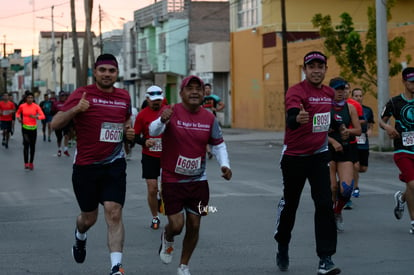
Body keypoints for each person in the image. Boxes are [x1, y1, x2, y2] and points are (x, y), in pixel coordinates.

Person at [50, 53, 135, 275]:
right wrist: (76, 109)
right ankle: (80, 236)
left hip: (114, 164)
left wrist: (128, 130)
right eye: (103, 70)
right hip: (86, 167)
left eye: (112, 70)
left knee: (113, 211)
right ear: (95, 72)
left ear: (117, 73)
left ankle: (116, 267)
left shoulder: (124, 96)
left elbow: (126, 119)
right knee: (89, 218)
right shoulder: (82, 94)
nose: (107, 74)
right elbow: (55, 123)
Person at [149, 75, 232, 275]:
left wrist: (225, 165)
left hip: (198, 181)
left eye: (199, 88)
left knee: (194, 225)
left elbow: (218, 143)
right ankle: (167, 236)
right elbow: (153, 130)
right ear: (182, 93)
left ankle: (184, 266)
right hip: (172, 180)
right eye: (190, 88)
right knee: (177, 226)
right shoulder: (171, 111)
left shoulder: (209, 118)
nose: (194, 91)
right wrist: (162, 120)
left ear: (204, 93)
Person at [274, 51, 341, 274]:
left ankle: (326, 258)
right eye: (311, 67)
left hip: (319, 155)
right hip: (294, 156)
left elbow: (332, 115)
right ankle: (282, 244)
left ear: (325, 69)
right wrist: (297, 119)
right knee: (291, 206)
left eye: (320, 66)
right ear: (305, 70)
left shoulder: (329, 93)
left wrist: (340, 128)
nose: (316, 70)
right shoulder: (296, 91)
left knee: (324, 204)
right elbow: (292, 116)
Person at [379, 67, 414, 235]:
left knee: (411, 186)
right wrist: (387, 127)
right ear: (404, 82)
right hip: (402, 150)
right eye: (411, 82)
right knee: (413, 184)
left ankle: (401, 198)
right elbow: (381, 120)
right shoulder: (394, 102)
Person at [328, 77, 361, 232]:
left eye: (343, 89)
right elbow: (315, 131)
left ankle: (337, 211)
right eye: (337, 89)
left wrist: (349, 131)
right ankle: (327, 216)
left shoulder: (350, 108)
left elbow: (358, 130)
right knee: (332, 187)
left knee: (346, 189)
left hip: (345, 151)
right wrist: (333, 141)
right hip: (327, 151)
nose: (340, 92)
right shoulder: (324, 107)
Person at [133, 85, 165, 229]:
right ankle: (155, 217)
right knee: (152, 188)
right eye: (153, 100)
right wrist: (144, 141)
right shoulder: (142, 115)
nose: (156, 102)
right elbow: (133, 136)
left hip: (168, 155)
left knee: (167, 189)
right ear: (147, 99)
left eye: (158, 99)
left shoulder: (168, 111)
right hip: (149, 155)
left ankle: (162, 201)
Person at [351, 88, 375, 197]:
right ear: (352, 97)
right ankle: (355, 187)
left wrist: (370, 130)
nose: (358, 98)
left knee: (363, 168)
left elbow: (370, 124)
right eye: (356, 96)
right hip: (352, 141)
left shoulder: (367, 110)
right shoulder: (349, 109)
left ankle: (347, 174)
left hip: (363, 142)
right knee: (355, 166)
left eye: (360, 96)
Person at [15, 92, 45, 169]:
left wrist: (35, 117)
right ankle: (26, 163)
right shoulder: (22, 106)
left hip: (33, 129)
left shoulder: (36, 106)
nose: (30, 99)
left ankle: (31, 162)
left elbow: (43, 116)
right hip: (25, 128)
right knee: (26, 144)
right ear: (26, 98)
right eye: (28, 97)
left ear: (33, 99)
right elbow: (17, 113)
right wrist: (18, 118)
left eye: (31, 97)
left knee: (32, 146)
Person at [202, 83, 225, 159]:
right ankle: (208, 152)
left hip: (213, 119)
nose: (207, 90)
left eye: (208, 88)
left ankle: (217, 149)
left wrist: (217, 109)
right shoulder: (201, 98)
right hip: (203, 119)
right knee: (204, 135)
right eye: (205, 88)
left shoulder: (214, 97)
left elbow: (222, 104)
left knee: (214, 135)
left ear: (210, 89)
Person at [52, 91, 71, 157]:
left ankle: (65, 150)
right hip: (58, 122)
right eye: (61, 96)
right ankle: (59, 149)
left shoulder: (67, 103)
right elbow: (53, 112)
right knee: (59, 137)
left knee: (66, 136)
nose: (62, 97)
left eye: (63, 96)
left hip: (66, 122)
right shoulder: (56, 104)